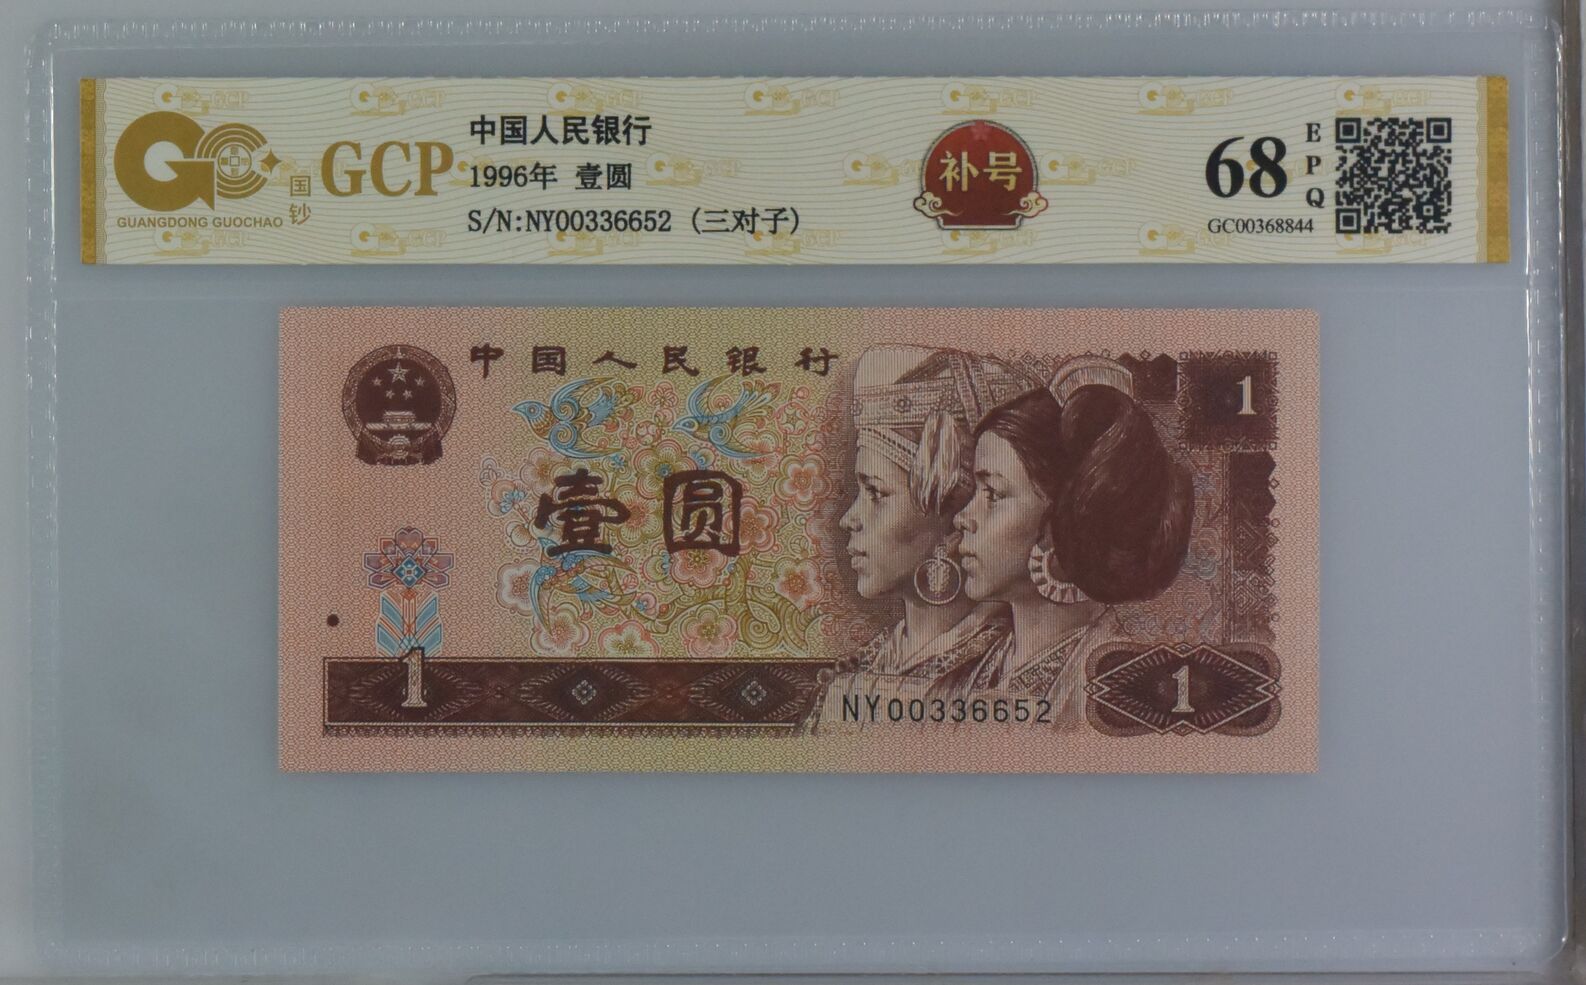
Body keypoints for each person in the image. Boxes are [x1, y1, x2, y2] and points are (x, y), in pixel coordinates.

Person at [944, 355, 1194, 728]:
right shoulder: (964, 673)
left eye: (992, 494)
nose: (962, 518)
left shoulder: (1118, 689)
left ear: (1063, 519)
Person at [811, 345, 1037, 732]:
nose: (850, 520)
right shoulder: (862, 670)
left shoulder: (1012, 675)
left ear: (952, 520)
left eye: (876, 492)